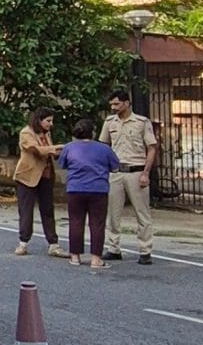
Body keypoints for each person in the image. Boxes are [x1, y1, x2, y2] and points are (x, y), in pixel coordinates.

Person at [99, 90, 159, 265]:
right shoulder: (110, 122)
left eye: (117, 104)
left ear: (126, 103)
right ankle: (113, 248)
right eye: (112, 104)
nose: (114, 107)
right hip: (116, 171)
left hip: (136, 171)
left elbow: (152, 147)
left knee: (142, 213)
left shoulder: (141, 122)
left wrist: (146, 173)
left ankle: (145, 250)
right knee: (113, 213)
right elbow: (104, 145)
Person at [55, 116, 121, 270]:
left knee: (76, 221)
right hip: (98, 189)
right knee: (97, 223)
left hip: (75, 188)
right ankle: (96, 259)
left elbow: (62, 164)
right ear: (93, 132)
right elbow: (115, 167)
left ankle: (75, 256)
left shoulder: (69, 147)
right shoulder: (104, 148)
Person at [12, 109, 64, 256]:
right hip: (27, 177)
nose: (50, 124)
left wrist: (59, 152)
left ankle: (53, 244)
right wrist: (58, 147)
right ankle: (23, 243)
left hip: (45, 176)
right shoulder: (26, 133)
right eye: (48, 121)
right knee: (26, 210)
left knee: (47, 209)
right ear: (39, 120)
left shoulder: (47, 134)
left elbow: (49, 152)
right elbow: (37, 150)